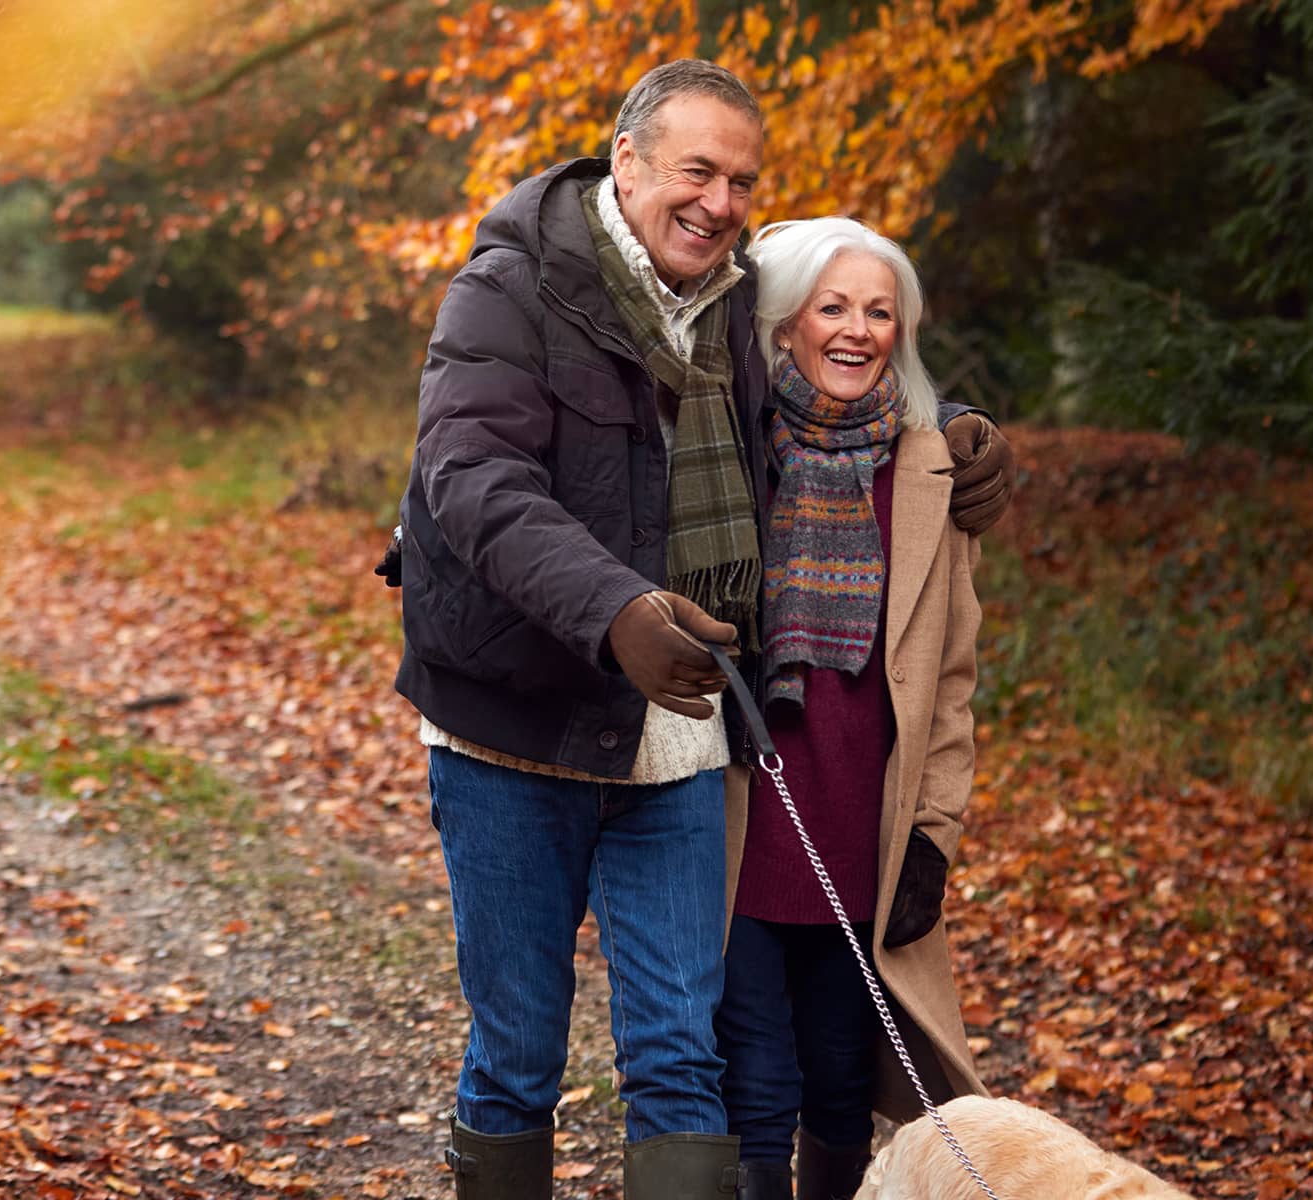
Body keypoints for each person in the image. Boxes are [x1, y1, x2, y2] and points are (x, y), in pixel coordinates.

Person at [391, 60, 1015, 1199]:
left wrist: (954, 428)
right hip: (511, 730)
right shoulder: (507, 289)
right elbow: (472, 477)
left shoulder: (733, 304)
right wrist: (616, 608)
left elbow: (837, 387)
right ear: (625, 161)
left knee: (683, 1060)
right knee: (519, 1057)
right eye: (695, 170)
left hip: (676, 740)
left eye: (740, 180)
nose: (718, 201)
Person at [714, 217, 993, 1200]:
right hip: (740, 824)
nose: (856, 329)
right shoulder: (733, 456)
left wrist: (933, 834)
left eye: (879, 312)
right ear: (786, 323)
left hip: (860, 835)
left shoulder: (929, 471)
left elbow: (952, 679)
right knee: (755, 1079)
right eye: (833, 307)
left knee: (838, 1079)